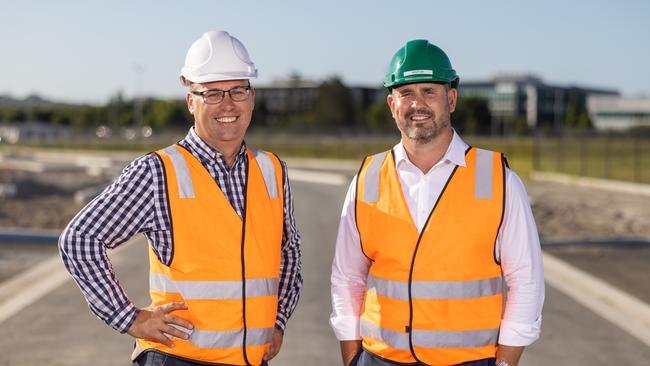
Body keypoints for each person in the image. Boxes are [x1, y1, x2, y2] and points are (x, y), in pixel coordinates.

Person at [59, 30, 302, 366]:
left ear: (252, 95)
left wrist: (277, 321)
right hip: (179, 359)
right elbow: (79, 239)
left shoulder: (273, 171)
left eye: (237, 90)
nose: (228, 104)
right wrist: (129, 318)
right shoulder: (158, 172)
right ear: (191, 100)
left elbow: (288, 254)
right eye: (213, 93)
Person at [330, 40, 544, 366]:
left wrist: (505, 362)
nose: (418, 103)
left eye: (429, 91)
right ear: (391, 104)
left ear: (452, 99)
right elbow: (346, 277)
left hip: (469, 360)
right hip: (380, 358)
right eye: (406, 93)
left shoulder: (498, 179)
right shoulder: (367, 178)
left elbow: (526, 281)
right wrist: (351, 357)